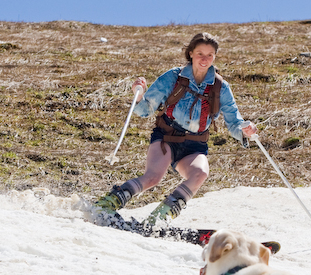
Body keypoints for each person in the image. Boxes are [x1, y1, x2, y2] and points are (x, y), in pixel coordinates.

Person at [94, 32, 257, 227]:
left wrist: (245, 130)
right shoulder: (173, 77)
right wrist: (138, 95)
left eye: (210, 55)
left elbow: (234, 121)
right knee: (153, 177)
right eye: (200, 54)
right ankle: (106, 204)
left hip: (196, 145)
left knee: (200, 174)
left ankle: (158, 220)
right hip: (166, 137)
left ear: (214, 57)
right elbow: (146, 109)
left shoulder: (221, 87)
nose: (204, 59)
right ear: (190, 54)